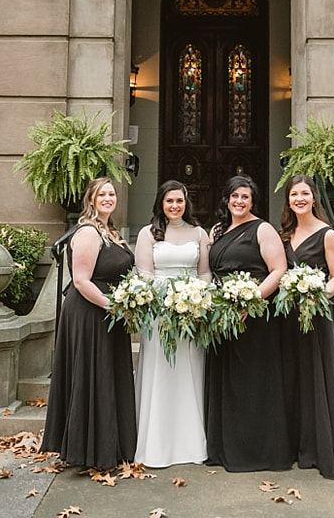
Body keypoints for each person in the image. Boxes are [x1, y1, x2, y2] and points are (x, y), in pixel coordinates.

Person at [40, 177, 137, 469]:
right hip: (89, 313)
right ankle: (87, 450)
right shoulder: (87, 232)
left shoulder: (112, 232)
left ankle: (110, 445)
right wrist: (113, 307)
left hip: (110, 314)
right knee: (91, 377)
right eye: (102, 194)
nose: (108, 198)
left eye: (112, 193)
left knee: (107, 377)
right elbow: (81, 281)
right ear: (91, 200)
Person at [204, 174, 293, 472]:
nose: (239, 201)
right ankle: (225, 448)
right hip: (222, 316)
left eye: (245, 196)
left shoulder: (263, 229)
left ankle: (259, 452)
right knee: (227, 383)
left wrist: (250, 301)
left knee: (253, 383)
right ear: (226, 199)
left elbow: (278, 270)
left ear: (253, 200)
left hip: (255, 318)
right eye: (234, 196)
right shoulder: (217, 230)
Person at [279, 174, 334, 479]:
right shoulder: (284, 234)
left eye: (304, 194)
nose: (299, 199)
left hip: (317, 314)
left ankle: (320, 448)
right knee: (293, 376)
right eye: (293, 194)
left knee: (316, 376)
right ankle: (297, 445)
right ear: (288, 200)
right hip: (288, 317)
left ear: (314, 198)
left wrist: (315, 293)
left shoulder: (328, 234)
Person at [133, 180, 211, 467]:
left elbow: (204, 274)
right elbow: (145, 275)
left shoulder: (199, 232)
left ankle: (191, 444)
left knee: (189, 372)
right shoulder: (148, 233)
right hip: (158, 314)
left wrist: (197, 300)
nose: (175, 206)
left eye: (179, 201)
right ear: (161, 204)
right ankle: (156, 445)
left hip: (192, 310)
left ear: (186, 202)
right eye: (169, 201)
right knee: (160, 371)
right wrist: (165, 300)